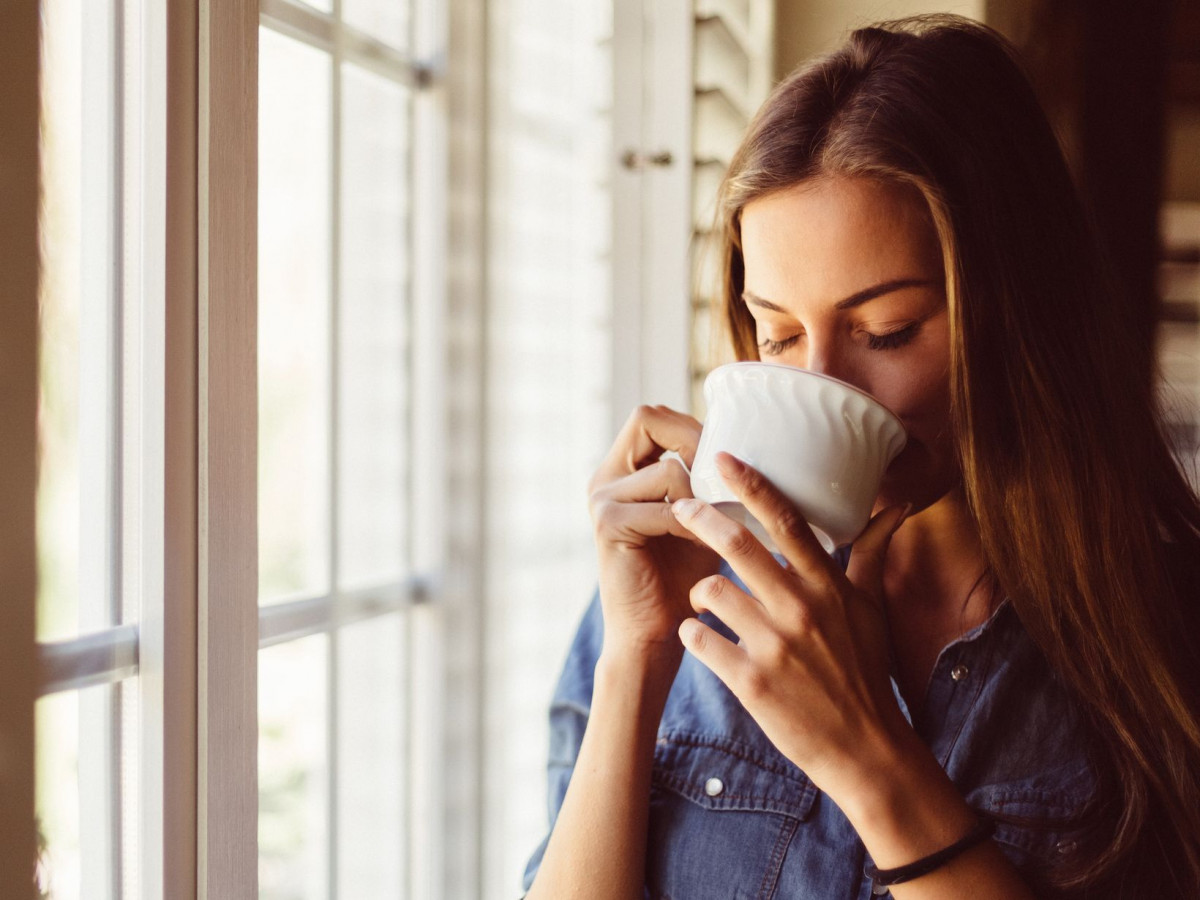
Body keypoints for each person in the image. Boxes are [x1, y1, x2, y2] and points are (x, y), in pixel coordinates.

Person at [521, 14, 1200, 899]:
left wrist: (868, 755)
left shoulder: (1162, 630)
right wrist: (636, 661)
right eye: (778, 333)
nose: (824, 386)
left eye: (887, 331)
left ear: (1021, 311)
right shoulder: (678, 599)